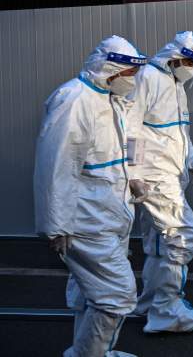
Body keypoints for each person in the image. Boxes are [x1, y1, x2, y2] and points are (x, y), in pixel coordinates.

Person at [34, 35, 148, 357]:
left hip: (109, 214)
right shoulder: (74, 100)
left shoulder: (111, 100)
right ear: (110, 71)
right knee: (117, 295)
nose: (134, 81)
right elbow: (56, 165)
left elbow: (129, 142)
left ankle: (95, 352)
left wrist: (135, 176)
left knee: (93, 294)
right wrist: (55, 225)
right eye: (130, 74)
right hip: (86, 219)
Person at [129, 31, 193, 334]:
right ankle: (166, 309)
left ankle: (149, 303)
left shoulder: (176, 85)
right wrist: (133, 173)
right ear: (173, 56)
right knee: (182, 234)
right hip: (154, 177)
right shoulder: (147, 77)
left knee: (158, 242)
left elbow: (179, 131)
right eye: (187, 59)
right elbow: (131, 128)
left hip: (171, 174)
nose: (190, 66)